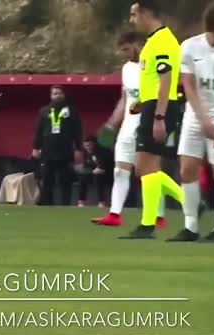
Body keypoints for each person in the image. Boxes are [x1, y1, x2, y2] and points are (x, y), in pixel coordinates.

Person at [120, 0, 185, 239]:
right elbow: (154, 81)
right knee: (146, 168)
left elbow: (166, 80)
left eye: (134, 14)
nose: (131, 20)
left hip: (161, 109)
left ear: (146, 13)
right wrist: (143, 103)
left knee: (145, 166)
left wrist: (158, 115)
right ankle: (148, 224)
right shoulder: (153, 42)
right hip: (152, 106)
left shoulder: (163, 41)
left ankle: (184, 203)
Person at [92, 31, 167, 227]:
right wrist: (111, 124)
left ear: (138, 44)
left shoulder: (153, 65)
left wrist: (158, 119)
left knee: (150, 172)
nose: (124, 53)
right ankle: (114, 214)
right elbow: (126, 100)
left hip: (148, 123)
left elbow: (160, 95)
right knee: (120, 170)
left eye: (126, 49)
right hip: (128, 126)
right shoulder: (126, 69)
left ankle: (158, 216)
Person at [168, 1, 214, 243]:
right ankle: (190, 226)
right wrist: (202, 119)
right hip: (195, 114)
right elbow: (188, 85)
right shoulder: (189, 46)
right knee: (186, 169)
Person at [32, 85, 83, 206]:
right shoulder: (44, 111)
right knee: (47, 180)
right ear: (51, 96)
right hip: (47, 151)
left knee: (65, 180)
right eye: (55, 93)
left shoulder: (72, 111)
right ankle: (48, 205)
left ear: (64, 95)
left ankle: (65, 205)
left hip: (65, 151)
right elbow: (38, 130)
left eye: (60, 93)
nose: (57, 95)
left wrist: (78, 148)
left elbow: (77, 131)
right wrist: (35, 147)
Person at [77, 136, 114, 208]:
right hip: (95, 173)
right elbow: (86, 166)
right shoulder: (86, 152)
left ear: (95, 144)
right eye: (85, 145)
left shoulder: (103, 152)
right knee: (82, 178)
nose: (88, 147)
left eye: (89, 145)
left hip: (109, 175)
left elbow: (101, 169)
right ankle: (81, 201)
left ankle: (101, 202)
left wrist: (89, 172)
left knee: (98, 177)